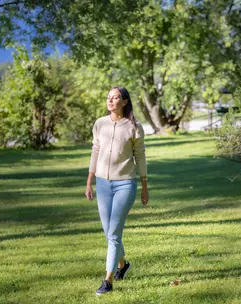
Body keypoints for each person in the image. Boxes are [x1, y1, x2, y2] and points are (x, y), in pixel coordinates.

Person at [85, 86, 149, 296]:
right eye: (108, 97)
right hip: (103, 184)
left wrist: (144, 185)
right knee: (109, 233)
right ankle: (123, 265)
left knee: (113, 234)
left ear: (125, 102)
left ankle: (108, 281)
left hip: (125, 184)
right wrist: (90, 180)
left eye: (115, 98)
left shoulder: (134, 127)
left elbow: (140, 155)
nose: (110, 101)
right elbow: (95, 150)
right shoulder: (99, 124)